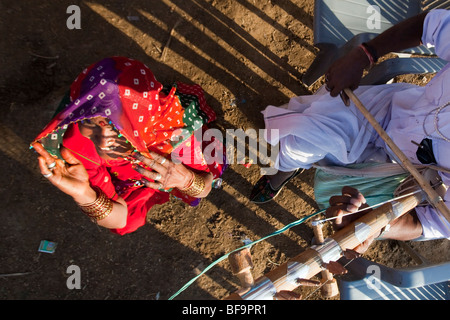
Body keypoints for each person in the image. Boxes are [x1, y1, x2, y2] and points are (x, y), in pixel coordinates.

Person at [250, 9, 450, 244]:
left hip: (401, 166)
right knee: (301, 139)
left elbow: (429, 222)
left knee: (337, 191)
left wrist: (376, 225)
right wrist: (364, 54)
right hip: (389, 108)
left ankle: (291, 160)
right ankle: (284, 169)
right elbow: (431, 26)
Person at [32, 56, 226, 235]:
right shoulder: (78, 146)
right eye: (90, 123)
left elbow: (205, 186)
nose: (103, 142)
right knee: (128, 222)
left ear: (142, 120)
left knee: (210, 159)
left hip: (166, 164)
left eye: (117, 130)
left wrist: (187, 180)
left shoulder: (172, 137)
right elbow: (120, 219)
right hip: (131, 179)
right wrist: (83, 194)